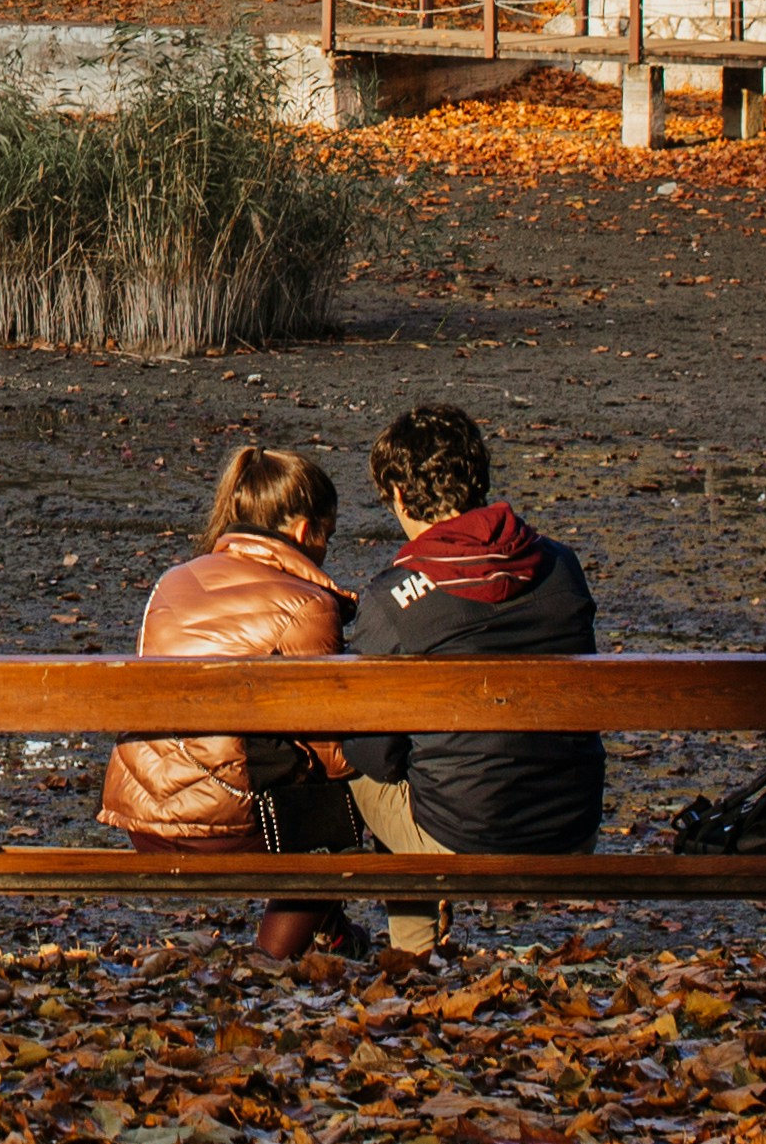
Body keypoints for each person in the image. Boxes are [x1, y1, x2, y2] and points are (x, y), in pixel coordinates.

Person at [101, 443, 361, 962]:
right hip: (226, 829)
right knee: (348, 809)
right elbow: (333, 753)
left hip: (144, 820)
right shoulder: (309, 604)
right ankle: (269, 960)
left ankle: (332, 935)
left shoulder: (171, 583)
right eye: (327, 538)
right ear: (306, 532)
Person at [340, 405, 606, 864]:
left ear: (400, 496)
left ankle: (411, 938)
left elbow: (375, 755)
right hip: (570, 824)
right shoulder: (562, 566)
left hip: (461, 834)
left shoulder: (392, 599)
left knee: (358, 773)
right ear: (478, 480)